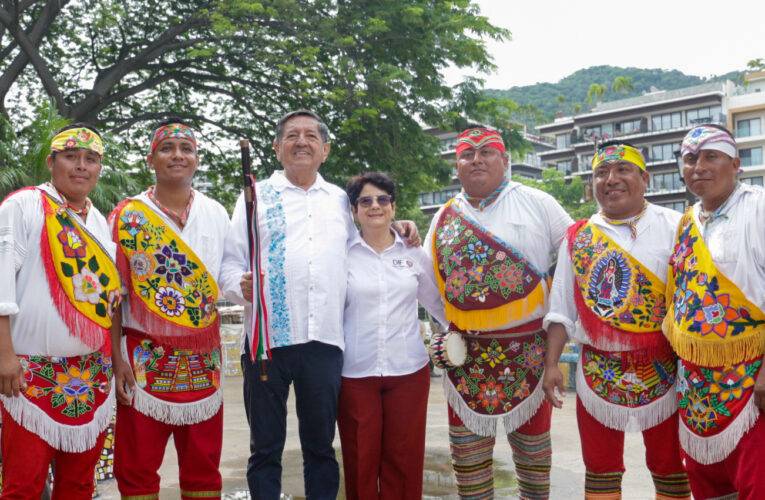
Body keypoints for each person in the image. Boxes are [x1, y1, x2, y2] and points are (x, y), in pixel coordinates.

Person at [220, 109, 419, 500]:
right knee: (265, 448)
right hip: (267, 342)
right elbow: (230, 262)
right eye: (292, 135)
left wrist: (399, 226)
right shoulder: (253, 196)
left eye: (311, 136)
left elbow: (367, 238)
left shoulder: (339, 203)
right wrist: (235, 285)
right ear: (277, 148)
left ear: (325, 150)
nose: (301, 142)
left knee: (320, 448)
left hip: (324, 342)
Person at [425, 127, 572, 499]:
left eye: (487, 151)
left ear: (505, 160)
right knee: (469, 468)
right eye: (467, 153)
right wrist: (447, 333)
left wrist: (557, 343)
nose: (477, 159)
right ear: (456, 165)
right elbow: (426, 281)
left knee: (534, 468)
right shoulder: (443, 217)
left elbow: (577, 259)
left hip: (530, 354)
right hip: (466, 360)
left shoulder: (538, 202)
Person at [542, 141, 690, 499]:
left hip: (665, 369)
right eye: (601, 173)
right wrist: (552, 365)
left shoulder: (679, 226)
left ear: (645, 178)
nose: (611, 179)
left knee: (670, 467)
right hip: (598, 371)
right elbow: (561, 306)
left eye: (622, 170)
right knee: (600, 468)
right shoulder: (578, 237)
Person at [110, 119, 230, 499]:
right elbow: (112, 298)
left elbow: (230, 275)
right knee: (136, 464)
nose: (177, 155)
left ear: (197, 160)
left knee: (203, 464)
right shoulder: (127, 216)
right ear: (151, 159)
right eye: (167, 148)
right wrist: (116, 358)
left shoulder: (216, 213)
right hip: (143, 358)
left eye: (186, 148)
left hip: (203, 359)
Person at [0, 124, 120, 499]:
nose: (81, 166)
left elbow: (107, 304)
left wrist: (116, 360)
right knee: (23, 485)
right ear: (51, 162)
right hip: (29, 374)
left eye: (91, 159)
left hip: (91, 376)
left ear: (99, 168)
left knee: (80, 485)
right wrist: (4, 356)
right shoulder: (23, 205)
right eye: (71, 157)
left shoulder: (99, 222)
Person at [664, 124, 765, 499]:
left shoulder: (758, 207)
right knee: (708, 486)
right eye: (690, 159)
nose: (699, 167)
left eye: (711, 157)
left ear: (736, 163)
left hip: (752, 377)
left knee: (756, 481)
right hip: (695, 387)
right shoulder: (687, 220)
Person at [338, 172, 446, 500]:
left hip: (408, 373)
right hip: (355, 373)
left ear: (393, 206)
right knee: (360, 459)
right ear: (354, 210)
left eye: (382, 199)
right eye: (365, 201)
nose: (375, 206)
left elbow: (439, 305)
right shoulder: (341, 254)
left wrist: (465, 335)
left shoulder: (413, 253)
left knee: (405, 459)